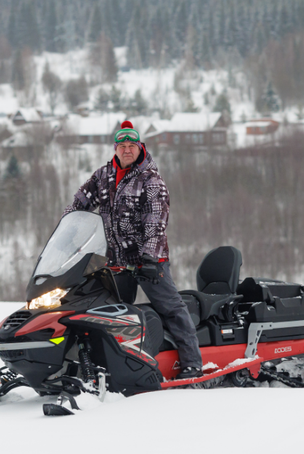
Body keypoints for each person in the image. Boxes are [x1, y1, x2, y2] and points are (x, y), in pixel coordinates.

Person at [64, 120, 203, 379]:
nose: (127, 149)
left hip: (149, 261)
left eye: (132, 145)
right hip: (115, 261)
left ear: (140, 147)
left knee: (172, 308)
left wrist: (149, 256)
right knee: (106, 314)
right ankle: (109, 366)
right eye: (122, 145)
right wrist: (66, 236)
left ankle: (193, 364)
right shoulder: (102, 176)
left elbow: (156, 221)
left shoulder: (151, 180)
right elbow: (78, 206)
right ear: (115, 148)